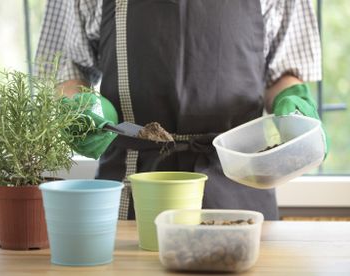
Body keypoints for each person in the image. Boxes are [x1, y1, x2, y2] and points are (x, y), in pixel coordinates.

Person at [35, 0, 327, 220]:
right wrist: (81, 106)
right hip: (133, 187)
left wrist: (293, 100)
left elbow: (283, 74)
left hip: (239, 182)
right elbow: (64, 70)